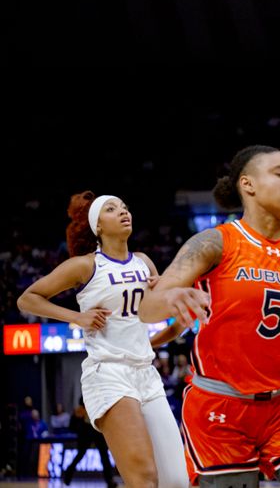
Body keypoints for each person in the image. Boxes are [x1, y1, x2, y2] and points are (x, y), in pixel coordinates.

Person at [138, 145, 280, 488]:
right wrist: (171, 294)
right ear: (247, 184)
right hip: (220, 409)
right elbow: (147, 308)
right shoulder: (214, 242)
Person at [17, 191, 189, 488]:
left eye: (125, 207)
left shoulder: (145, 263)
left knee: (176, 480)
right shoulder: (85, 265)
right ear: (98, 225)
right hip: (108, 372)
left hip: (146, 374)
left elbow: (162, 322)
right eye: (112, 209)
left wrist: (170, 299)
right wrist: (77, 317)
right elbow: (27, 299)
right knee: (144, 478)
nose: (124, 212)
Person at [61, 398, 116, 488]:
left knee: (104, 456)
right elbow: (72, 426)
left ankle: (110, 480)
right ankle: (67, 476)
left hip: (97, 432)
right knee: (80, 455)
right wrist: (80, 424)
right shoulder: (79, 410)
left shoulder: (98, 407)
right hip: (85, 434)